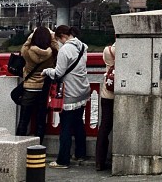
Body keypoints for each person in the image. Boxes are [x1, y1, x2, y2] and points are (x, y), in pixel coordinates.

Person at [41, 26, 90, 169]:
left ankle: (63, 160)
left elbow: (58, 73)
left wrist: (46, 71)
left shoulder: (65, 50)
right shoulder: (82, 46)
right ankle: (80, 153)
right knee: (78, 123)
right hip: (82, 90)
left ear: (62, 36)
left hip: (70, 92)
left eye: (58, 39)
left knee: (66, 127)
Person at [16, 27, 59, 144]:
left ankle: (19, 145)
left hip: (29, 87)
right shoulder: (52, 53)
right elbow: (57, 47)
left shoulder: (27, 52)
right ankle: (39, 146)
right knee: (41, 120)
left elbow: (25, 45)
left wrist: (32, 34)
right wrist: (52, 35)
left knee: (24, 120)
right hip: (44, 88)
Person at [95, 42, 115, 171]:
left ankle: (99, 161)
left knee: (104, 127)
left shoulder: (107, 50)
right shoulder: (128, 47)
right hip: (122, 93)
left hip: (107, 93)